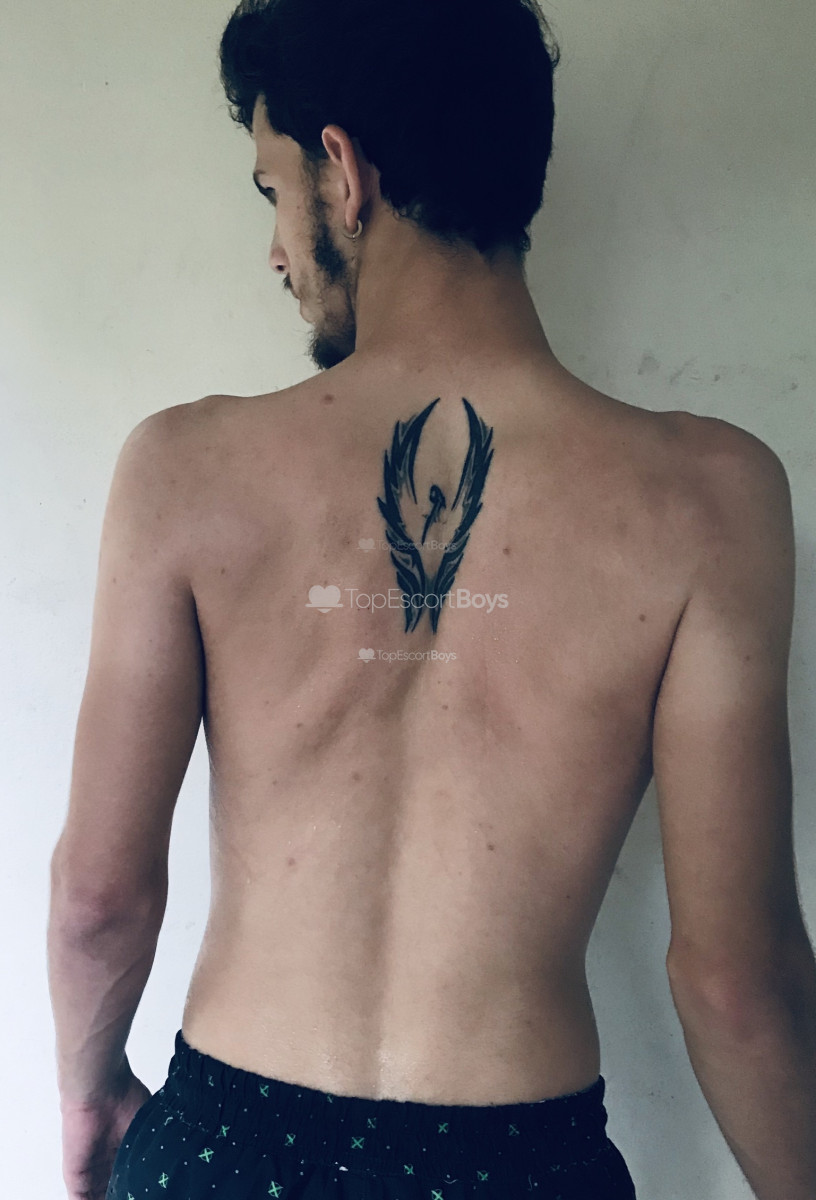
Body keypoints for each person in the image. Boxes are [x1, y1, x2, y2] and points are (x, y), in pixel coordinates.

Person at [47, 0, 816, 1197]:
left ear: (343, 171)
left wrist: (91, 1099)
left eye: (272, 191)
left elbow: (99, 899)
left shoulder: (183, 472)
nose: (276, 253)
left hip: (224, 1151)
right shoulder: (711, 503)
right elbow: (738, 980)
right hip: (520, 1165)